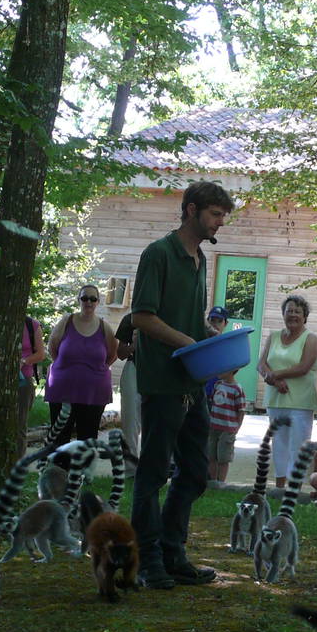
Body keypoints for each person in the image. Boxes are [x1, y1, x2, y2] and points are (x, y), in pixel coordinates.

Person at [129, 180, 235, 590]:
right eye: (214, 214)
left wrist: (213, 339)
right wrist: (189, 342)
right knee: (153, 473)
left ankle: (173, 553)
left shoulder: (200, 259)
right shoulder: (158, 254)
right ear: (191, 210)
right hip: (162, 382)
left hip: (193, 383)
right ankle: (146, 559)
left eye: (223, 216)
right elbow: (142, 317)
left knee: (194, 472)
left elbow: (191, 320)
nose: (219, 223)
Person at [257, 294, 317, 489]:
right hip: (276, 400)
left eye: (297, 311)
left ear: (305, 316)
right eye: (289, 311)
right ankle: (279, 487)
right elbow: (261, 364)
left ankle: (295, 490)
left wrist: (274, 375)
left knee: (298, 447)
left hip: (300, 403)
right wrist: (275, 381)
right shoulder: (274, 336)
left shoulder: (311, 339)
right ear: (283, 314)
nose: (292, 315)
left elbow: (303, 367)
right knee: (279, 445)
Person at [45, 284, 116, 446]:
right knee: (59, 439)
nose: (88, 302)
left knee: (87, 440)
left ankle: (83, 472)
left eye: (93, 299)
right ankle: (59, 471)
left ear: (98, 302)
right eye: (85, 298)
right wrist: (65, 368)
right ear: (79, 299)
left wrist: (95, 370)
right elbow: (52, 348)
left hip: (94, 393)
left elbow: (113, 354)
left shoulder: (105, 327)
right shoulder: (66, 322)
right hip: (62, 390)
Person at [206, 364, 246, 485]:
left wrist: (236, 428)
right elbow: (213, 403)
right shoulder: (218, 385)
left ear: (232, 370)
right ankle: (213, 482)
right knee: (211, 456)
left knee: (223, 458)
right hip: (213, 427)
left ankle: (221, 483)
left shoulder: (237, 389)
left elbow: (241, 411)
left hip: (227, 429)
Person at [114, 312, 142, 454]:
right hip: (134, 368)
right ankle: (130, 469)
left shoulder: (167, 316)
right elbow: (120, 354)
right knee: (130, 420)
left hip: (161, 372)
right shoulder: (130, 318)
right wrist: (134, 346)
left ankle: (153, 467)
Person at [19, 314, 48, 441]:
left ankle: (18, 460)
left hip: (23, 380)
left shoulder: (32, 325)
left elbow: (41, 354)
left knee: (19, 424)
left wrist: (24, 361)